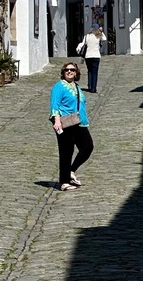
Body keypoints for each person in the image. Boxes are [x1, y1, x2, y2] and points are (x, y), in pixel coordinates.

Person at [50, 62, 93, 190]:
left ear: (76, 72)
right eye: (67, 70)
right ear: (63, 72)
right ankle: (64, 182)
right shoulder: (59, 87)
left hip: (79, 122)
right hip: (65, 122)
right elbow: (54, 104)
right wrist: (57, 121)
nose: (69, 72)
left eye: (72, 70)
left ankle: (71, 171)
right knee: (66, 152)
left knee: (87, 147)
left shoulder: (77, 87)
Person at [76, 24, 105, 93]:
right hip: (96, 56)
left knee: (89, 71)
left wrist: (78, 49)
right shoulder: (98, 36)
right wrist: (101, 31)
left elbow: (82, 44)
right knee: (95, 72)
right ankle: (93, 88)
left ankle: (90, 86)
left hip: (88, 56)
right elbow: (104, 38)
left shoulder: (87, 36)